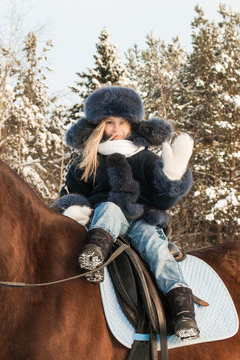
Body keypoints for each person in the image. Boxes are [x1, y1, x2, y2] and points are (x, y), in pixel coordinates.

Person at [59, 86, 199, 340]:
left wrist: (171, 179)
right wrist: (73, 209)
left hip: (142, 220)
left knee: (157, 250)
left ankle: (182, 310)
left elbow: (162, 200)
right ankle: (94, 254)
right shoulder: (88, 160)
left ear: (132, 123)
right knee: (110, 207)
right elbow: (71, 193)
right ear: (98, 125)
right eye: (109, 122)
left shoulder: (144, 158)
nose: (116, 129)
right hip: (102, 219)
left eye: (122, 122)